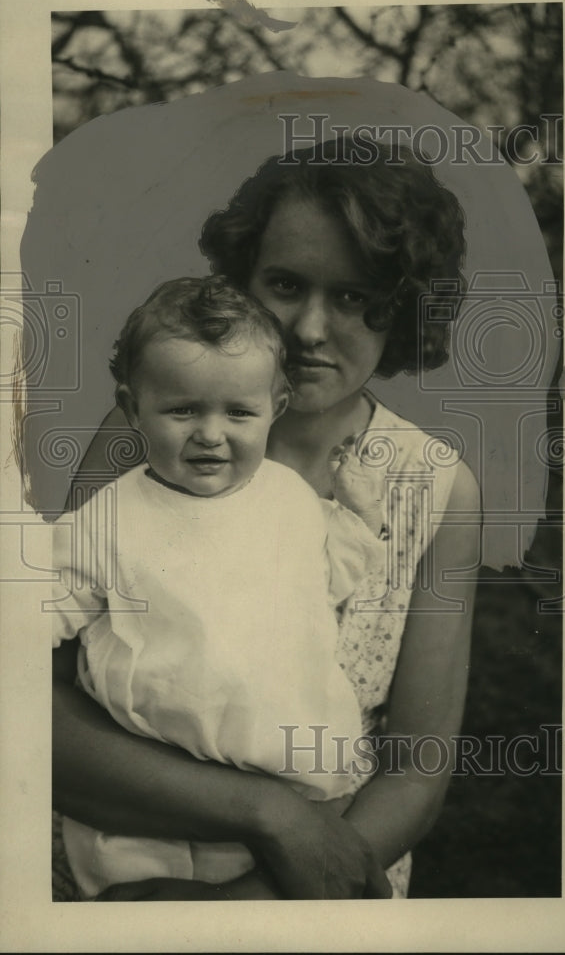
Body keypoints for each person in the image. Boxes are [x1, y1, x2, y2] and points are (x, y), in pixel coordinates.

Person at [52, 137, 481, 901]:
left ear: (403, 305)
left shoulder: (438, 489)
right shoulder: (150, 438)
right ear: (240, 279)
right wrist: (268, 813)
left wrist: (240, 909)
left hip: (323, 890)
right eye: (285, 284)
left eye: (354, 297)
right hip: (122, 870)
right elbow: (34, 703)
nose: (310, 329)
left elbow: (417, 771)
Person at [52, 274, 391, 899]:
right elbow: (37, 612)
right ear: (132, 407)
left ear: (275, 410)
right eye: (182, 410)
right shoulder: (111, 517)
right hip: (162, 806)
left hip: (303, 791)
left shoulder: (290, 496)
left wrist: (356, 516)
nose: (211, 433)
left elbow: (332, 581)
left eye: (238, 412)